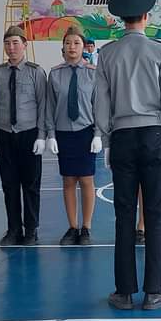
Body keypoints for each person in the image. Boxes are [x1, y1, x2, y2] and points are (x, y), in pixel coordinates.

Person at [95, 0, 161, 311]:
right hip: (155, 135)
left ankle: (124, 292)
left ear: (121, 18)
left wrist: (106, 139)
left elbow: (101, 102)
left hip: (122, 138)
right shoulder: (160, 50)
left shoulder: (107, 54)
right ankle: (154, 290)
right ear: (147, 16)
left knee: (124, 214)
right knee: (154, 214)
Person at [0, 26, 47, 246]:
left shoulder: (36, 72)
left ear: (24, 45)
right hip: (5, 135)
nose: (11, 48)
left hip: (29, 134)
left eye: (15, 43)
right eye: (7, 43)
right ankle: (13, 229)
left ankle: (31, 229)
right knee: (9, 184)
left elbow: (43, 105)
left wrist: (42, 135)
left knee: (31, 184)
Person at [46, 27, 102, 246]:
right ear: (63, 47)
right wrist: (51, 134)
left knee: (87, 180)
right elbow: (50, 107)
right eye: (68, 43)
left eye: (76, 43)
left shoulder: (93, 73)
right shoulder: (55, 74)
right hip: (63, 132)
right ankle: (72, 227)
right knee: (68, 180)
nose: (72, 47)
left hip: (86, 132)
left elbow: (99, 106)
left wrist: (98, 134)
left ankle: (86, 227)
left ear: (83, 47)